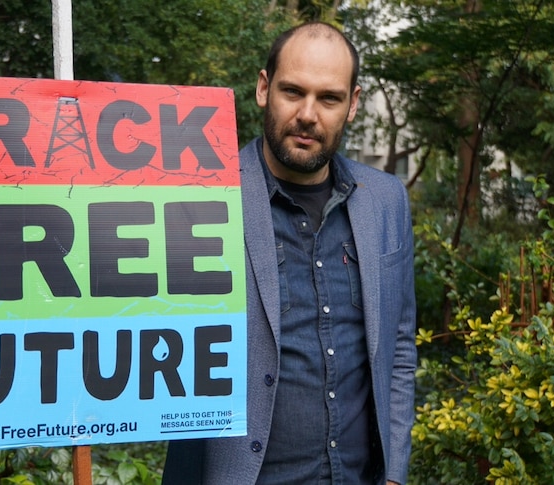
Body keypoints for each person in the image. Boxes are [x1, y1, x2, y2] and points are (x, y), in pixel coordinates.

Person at [161, 21, 417, 485]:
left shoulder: (385, 200)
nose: (307, 114)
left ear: (353, 104)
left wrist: (395, 473)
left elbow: (398, 344)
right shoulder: (204, 198)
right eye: (292, 91)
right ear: (263, 88)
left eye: (329, 98)